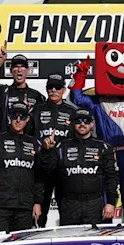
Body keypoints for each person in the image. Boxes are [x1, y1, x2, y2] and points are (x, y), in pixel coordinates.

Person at [70, 58, 124, 212]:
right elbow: (77, 98)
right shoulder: (100, 100)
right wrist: (81, 75)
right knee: (104, 192)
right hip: (106, 153)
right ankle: (104, 224)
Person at [0, 101, 48, 232]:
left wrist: (37, 202)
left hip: (24, 207)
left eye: (22, 117)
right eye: (14, 116)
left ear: (27, 119)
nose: (18, 120)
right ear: (9, 118)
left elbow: (40, 175)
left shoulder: (35, 143)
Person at [53, 108, 120, 226]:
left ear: (92, 124)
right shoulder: (61, 146)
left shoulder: (103, 147)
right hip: (69, 204)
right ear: (73, 123)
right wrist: (47, 151)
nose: (82, 124)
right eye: (78, 121)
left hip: (94, 204)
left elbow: (112, 177)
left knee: (94, 237)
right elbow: (51, 174)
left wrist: (110, 202)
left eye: (86, 121)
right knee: (69, 236)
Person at [29, 73, 78, 227]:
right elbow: (28, 137)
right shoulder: (36, 110)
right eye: (50, 87)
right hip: (42, 168)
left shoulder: (72, 112)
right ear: (46, 89)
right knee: (39, 212)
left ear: (64, 90)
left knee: (67, 213)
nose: (54, 90)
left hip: (64, 169)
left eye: (57, 87)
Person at [0, 44, 46, 132]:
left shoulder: (37, 96)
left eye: (22, 66)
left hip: (29, 139)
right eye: (16, 66)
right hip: (5, 138)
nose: (19, 69)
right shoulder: (3, 92)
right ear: (11, 71)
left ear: (28, 70)